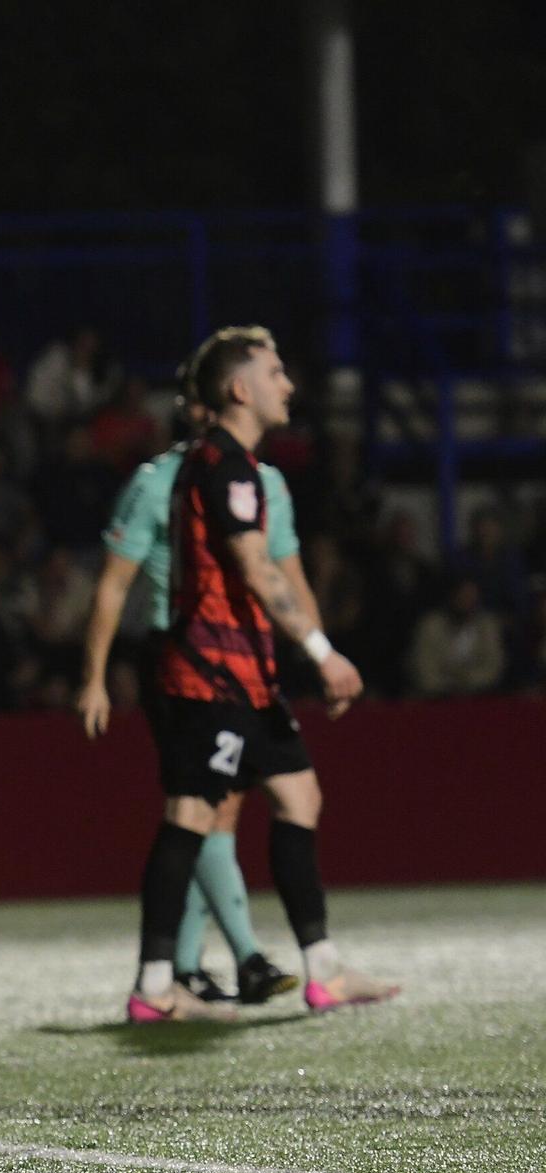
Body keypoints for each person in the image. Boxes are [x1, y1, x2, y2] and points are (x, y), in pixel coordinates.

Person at [121, 326, 397, 1023]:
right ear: (240, 388)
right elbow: (253, 565)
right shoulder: (228, 467)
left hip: (245, 675)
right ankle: (156, 986)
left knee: (299, 794)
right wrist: (322, 650)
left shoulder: (223, 464)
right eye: (276, 372)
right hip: (210, 673)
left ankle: (323, 968)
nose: (289, 385)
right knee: (191, 813)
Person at [80, 343, 307, 1004]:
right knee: (203, 808)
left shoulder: (259, 479)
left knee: (214, 810)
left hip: (239, 662)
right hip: (179, 660)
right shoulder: (163, 480)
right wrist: (94, 674)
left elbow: (284, 571)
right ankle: (230, 958)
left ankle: (187, 966)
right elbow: (113, 585)